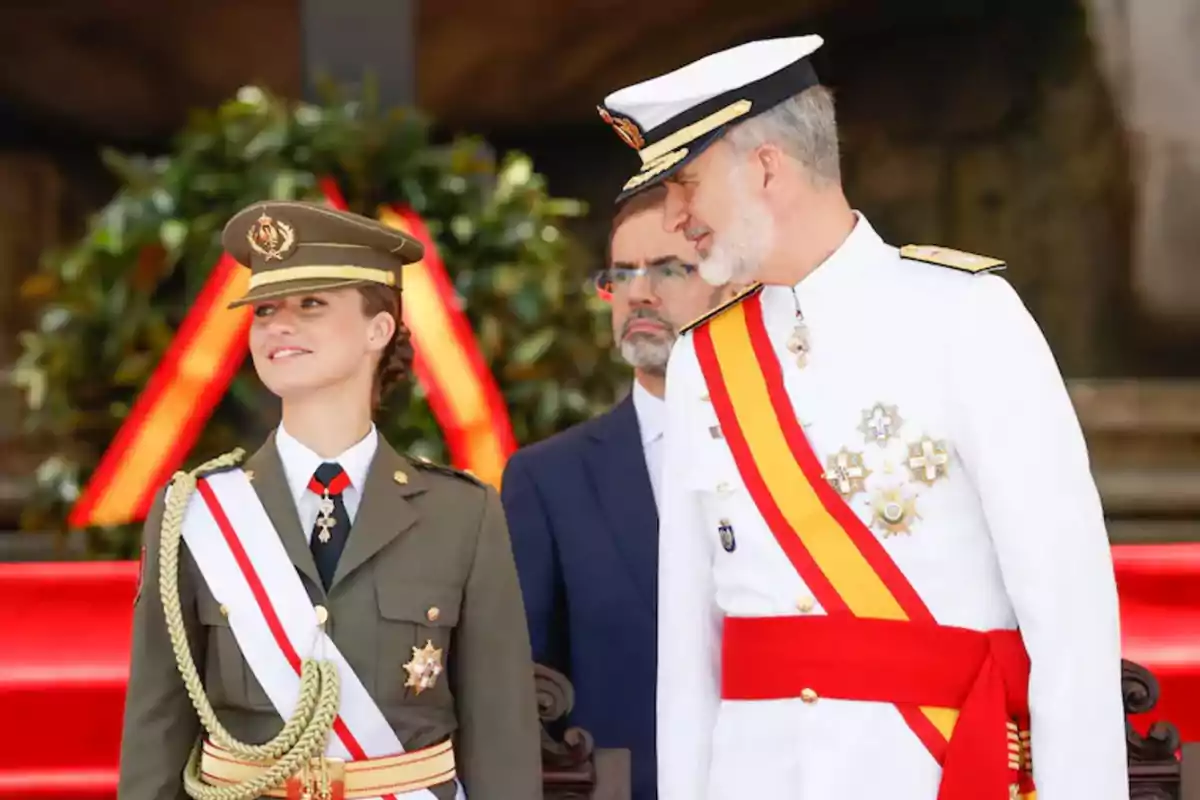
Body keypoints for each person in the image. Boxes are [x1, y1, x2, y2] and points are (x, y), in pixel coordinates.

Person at [596, 35, 1128, 800]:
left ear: (767, 167)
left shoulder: (967, 317)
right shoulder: (703, 362)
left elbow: (1068, 616)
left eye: (685, 182)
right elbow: (689, 656)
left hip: (932, 771)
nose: (674, 218)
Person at [117, 200, 542, 800]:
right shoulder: (197, 510)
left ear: (379, 327)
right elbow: (156, 725)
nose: (278, 326)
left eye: (310, 304)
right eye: (264, 310)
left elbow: (500, 731)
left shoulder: (461, 513)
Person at [500, 184, 734, 800]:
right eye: (621, 273)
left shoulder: (800, 452)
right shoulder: (548, 480)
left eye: (668, 269)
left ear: (732, 284)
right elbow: (526, 702)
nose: (638, 292)